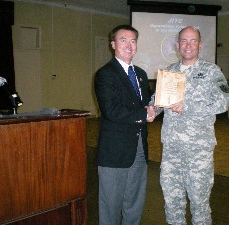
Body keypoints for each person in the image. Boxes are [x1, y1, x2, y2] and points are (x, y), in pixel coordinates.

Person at [152, 26, 229, 225]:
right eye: (184, 41)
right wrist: (152, 109)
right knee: (172, 202)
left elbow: (223, 103)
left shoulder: (212, 71)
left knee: (199, 204)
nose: (188, 45)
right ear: (178, 45)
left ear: (200, 44)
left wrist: (187, 106)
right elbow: (159, 100)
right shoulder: (169, 71)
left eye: (193, 40)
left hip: (198, 152)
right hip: (171, 151)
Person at [94, 24, 155, 225]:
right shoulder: (105, 74)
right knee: (110, 205)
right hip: (114, 150)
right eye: (123, 40)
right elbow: (111, 111)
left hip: (139, 148)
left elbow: (145, 105)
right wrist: (144, 114)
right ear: (113, 44)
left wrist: (160, 105)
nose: (129, 45)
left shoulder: (141, 74)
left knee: (135, 202)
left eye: (133, 41)